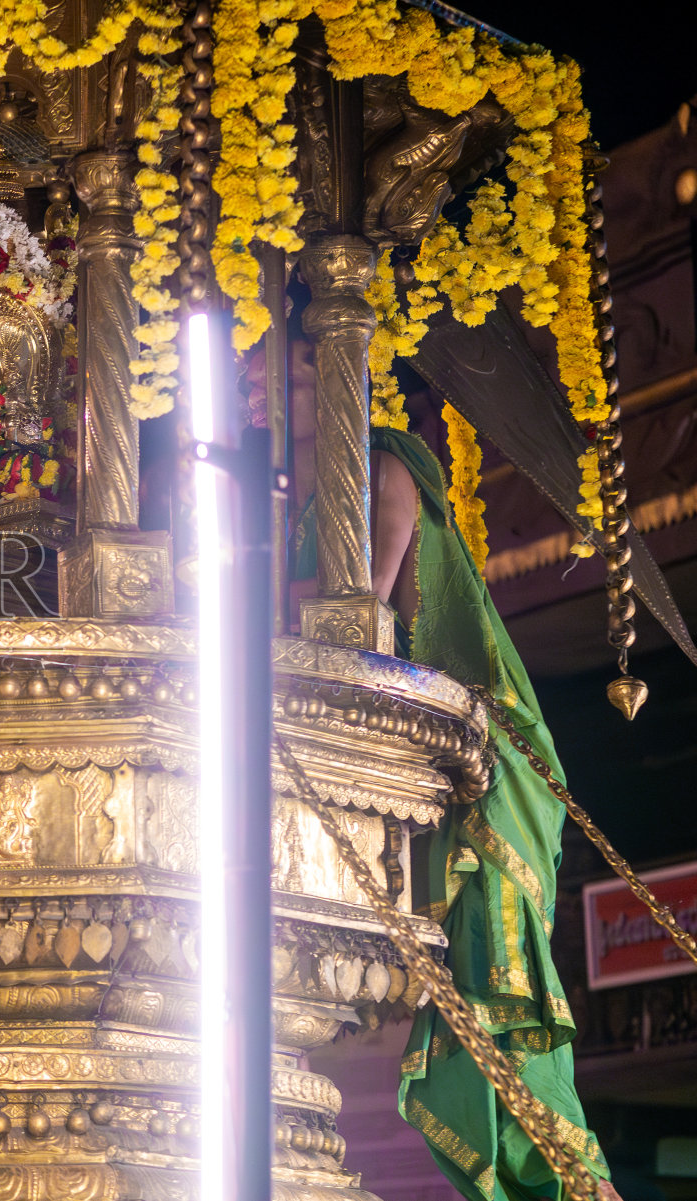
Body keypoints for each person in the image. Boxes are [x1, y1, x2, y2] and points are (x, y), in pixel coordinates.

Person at [258, 339, 618, 1201]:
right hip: (417, 760)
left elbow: (353, 621)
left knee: (498, 989)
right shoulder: (293, 501)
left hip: (490, 761)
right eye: (269, 374)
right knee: (461, 1004)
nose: (275, 388)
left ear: (346, 378)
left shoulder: (385, 468)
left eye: (302, 369)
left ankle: (583, 1185)